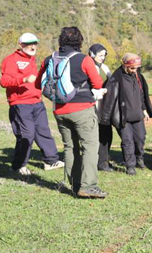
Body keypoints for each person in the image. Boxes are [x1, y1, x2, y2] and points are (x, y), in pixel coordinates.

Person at [36, 27, 106, 198]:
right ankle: (88, 186)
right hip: (82, 110)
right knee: (89, 146)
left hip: (59, 110)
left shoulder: (50, 59)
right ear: (80, 41)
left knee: (70, 147)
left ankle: (75, 186)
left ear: (61, 40)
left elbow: (38, 83)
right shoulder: (84, 59)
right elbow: (98, 84)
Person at [0, 33, 64, 176]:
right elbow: (4, 81)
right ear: (20, 45)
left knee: (43, 131)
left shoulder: (32, 59)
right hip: (20, 104)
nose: (33, 46)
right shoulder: (11, 60)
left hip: (37, 102)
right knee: (26, 135)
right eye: (29, 44)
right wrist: (23, 79)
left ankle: (51, 161)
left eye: (35, 43)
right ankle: (18, 166)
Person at [99, 53, 152, 175]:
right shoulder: (116, 78)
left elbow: (141, 94)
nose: (135, 70)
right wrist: (106, 118)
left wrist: (144, 110)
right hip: (123, 116)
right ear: (125, 65)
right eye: (132, 68)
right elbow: (109, 99)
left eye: (137, 68)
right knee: (127, 141)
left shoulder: (138, 76)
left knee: (140, 138)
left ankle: (139, 157)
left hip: (137, 114)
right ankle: (130, 166)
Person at [89, 44, 116, 172]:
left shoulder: (104, 67)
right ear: (92, 54)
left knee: (106, 133)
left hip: (104, 106)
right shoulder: (88, 67)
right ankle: (101, 162)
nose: (102, 57)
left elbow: (112, 81)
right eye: (100, 55)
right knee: (99, 134)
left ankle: (103, 159)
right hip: (93, 105)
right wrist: (98, 92)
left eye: (104, 55)